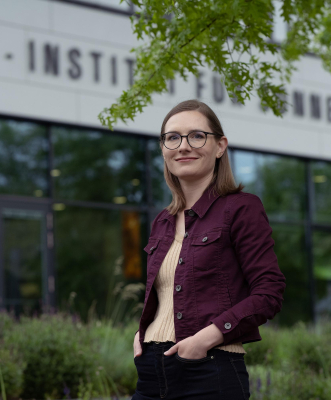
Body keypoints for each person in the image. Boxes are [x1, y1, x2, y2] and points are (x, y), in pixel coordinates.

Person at [131, 99, 286, 400]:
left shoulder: (240, 208)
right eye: (172, 137)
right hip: (151, 371)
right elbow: (165, 296)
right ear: (163, 149)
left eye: (197, 136)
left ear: (220, 146)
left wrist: (204, 339)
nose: (183, 146)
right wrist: (143, 333)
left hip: (208, 370)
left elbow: (269, 292)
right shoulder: (162, 221)